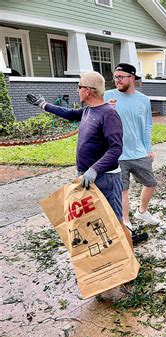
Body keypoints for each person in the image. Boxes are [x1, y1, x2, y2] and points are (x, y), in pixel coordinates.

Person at [26, 72, 132, 247]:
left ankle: (130, 264)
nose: (78, 90)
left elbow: (116, 148)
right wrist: (43, 104)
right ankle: (112, 262)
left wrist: (94, 169)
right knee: (97, 220)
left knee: (115, 221)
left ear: (89, 91)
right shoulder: (88, 111)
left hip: (106, 179)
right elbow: (67, 113)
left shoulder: (108, 114)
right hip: (87, 177)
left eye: (79, 86)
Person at [104, 63, 159, 231]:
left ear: (132, 78)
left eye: (120, 77)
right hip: (116, 154)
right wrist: (108, 110)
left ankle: (142, 211)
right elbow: (96, 120)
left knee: (151, 183)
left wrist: (148, 148)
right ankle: (125, 221)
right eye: (115, 77)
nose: (117, 81)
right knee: (122, 190)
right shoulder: (107, 96)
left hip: (139, 152)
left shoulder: (143, 100)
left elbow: (147, 126)